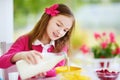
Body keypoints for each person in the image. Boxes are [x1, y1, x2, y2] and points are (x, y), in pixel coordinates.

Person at [0, 3, 75, 79]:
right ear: (47, 19)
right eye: (58, 25)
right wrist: (20, 55)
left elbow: (58, 69)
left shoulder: (61, 45)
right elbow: (1, 62)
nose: (60, 32)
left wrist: (40, 70)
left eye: (65, 30)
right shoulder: (24, 40)